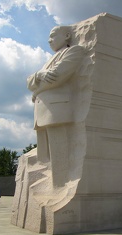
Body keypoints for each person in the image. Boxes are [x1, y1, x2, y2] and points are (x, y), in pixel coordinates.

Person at [26, 25, 86, 188]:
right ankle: (53, 186)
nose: (49, 40)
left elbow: (58, 76)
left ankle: (60, 187)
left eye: (53, 35)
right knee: (45, 157)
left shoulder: (74, 51)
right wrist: (39, 75)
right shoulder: (48, 62)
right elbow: (28, 81)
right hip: (43, 111)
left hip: (56, 109)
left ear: (67, 35)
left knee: (59, 153)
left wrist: (36, 91)